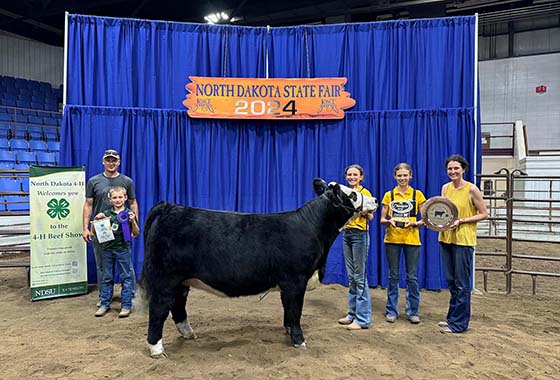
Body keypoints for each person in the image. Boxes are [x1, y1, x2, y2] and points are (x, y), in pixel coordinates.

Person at [438, 154, 488, 333]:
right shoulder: (445, 188)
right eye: (450, 169)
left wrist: (462, 221)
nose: (453, 171)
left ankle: (459, 325)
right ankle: (452, 319)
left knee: (461, 283)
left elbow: (483, 213)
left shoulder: (471, 189)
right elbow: (442, 210)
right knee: (452, 282)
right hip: (446, 238)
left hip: (463, 240)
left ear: (463, 170)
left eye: (456, 168)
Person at [82, 149, 139, 306]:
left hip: (122, 232)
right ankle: (104, 297)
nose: (111, 163)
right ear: (103, 162)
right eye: (108, 160)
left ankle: (129, 296)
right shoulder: (94, 181)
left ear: (118, 162)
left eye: (114, 160)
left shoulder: (127, 181)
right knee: (102, 266)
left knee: (126, 267)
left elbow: (133, 202)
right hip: (102, 231)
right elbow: (88, 205)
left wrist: (134, 223)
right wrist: (85, 227)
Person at [380, 163, 426, 324]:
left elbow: (425, 219)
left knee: (412, 277)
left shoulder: (418, 195)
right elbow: (382, 219)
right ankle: (392, 310)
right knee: (393, 276)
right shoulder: (388, 196)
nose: (402, 178)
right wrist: (389, 221)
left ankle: (413, 311)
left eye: (405, 175)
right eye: (399, 175)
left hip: (412, 241)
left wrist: (414, 224)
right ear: (395, 177)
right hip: (392, 240)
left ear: (410, 176)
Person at [337, 164, 374, 330]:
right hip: (347, 234)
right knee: (351, 276)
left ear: (361, 177)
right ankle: (352, 313)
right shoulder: (345, 193)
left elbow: (371, 216)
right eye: (349, 175)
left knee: (360, 277)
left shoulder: (365, 194)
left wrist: (362, 209)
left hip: (360, 235)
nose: (352, 177)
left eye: (355, 175)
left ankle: (363, 319)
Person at [93, 186, 140, 317]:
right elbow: (94, 231)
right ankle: (104, 304)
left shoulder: (129, 213)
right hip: (107, 249)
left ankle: (126, 305)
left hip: (123, 249)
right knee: (107, 277)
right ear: (110, 199)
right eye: (114, 197)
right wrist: (96, 220)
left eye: (120, 197)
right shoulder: (106, 213)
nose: (118, 200)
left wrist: (133, 222)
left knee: (126, 277)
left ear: (125, 198)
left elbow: (135, 233)